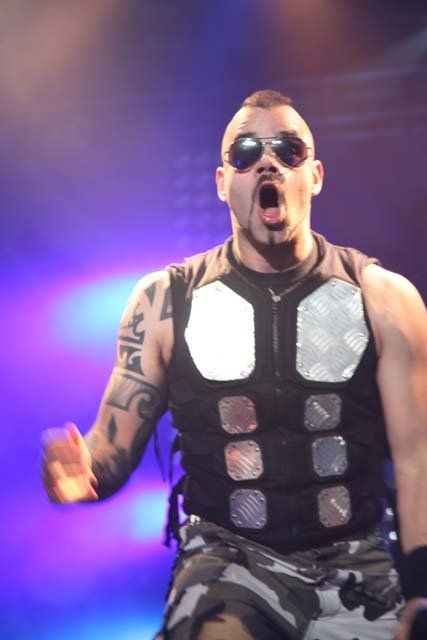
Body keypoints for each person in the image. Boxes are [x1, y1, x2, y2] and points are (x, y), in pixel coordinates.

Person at [41, 90, 427, 640]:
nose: (268, 162)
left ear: (315, 175)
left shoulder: (385, 300)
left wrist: (421, 586)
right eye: (246, 153)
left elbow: (417, 459)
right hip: (227, 560)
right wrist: (84, 474)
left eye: (288, 150)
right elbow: (109, 447)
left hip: (356, 565)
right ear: (223, 183)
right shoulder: (165, 301)